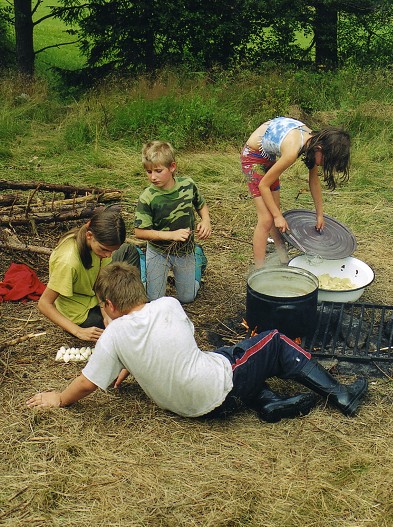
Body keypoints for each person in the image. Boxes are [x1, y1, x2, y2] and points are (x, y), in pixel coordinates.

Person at [28, 262, 368, 422]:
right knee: (274, 341)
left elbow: (87, 382)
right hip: (218, 391)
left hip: (186, 409)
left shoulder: (114, 336)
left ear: (111, 305)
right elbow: (169, 342)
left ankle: (268, 404)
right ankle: (340, 393)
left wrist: (60, 397)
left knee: (224, 355)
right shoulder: (169, 304)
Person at [241, 117, 351, 268]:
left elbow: (314, 181)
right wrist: (277, 216)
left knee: (274, 210)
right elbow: (264, 186)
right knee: (267, 218)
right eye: (325, 161)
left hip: (269, 156)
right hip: (253, 156)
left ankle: (283, 260)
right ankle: (259, 271)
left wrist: (319, 214)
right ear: (320, 148)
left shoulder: (313, 143)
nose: (324, 165)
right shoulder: (293, 150)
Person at [38, 205, 142, 343]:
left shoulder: (99, 248)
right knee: (113, 327)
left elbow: (98, 279)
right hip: (80, 309)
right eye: (104, 250)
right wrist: (78, 331)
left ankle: (130, 302)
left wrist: (105, 312)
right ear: (89, 236)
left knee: (128, 250)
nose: (108, 255)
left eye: (112, 251)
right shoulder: (68, 261)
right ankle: (125, 309)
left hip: (97, 294)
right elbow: (44, 303)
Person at [134, 140, 212, 303]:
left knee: (187, 297)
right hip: (158, 252)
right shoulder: (147, 198)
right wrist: (171, 235)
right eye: (148, 172)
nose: (153, 177)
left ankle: (197, 255)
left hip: (185, 251)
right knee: (153, 299)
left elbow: (201, 204)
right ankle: (142, 261)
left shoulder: (188, 185)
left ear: (172, 167)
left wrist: (206, 221)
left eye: (158, 171)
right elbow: (139, 232)